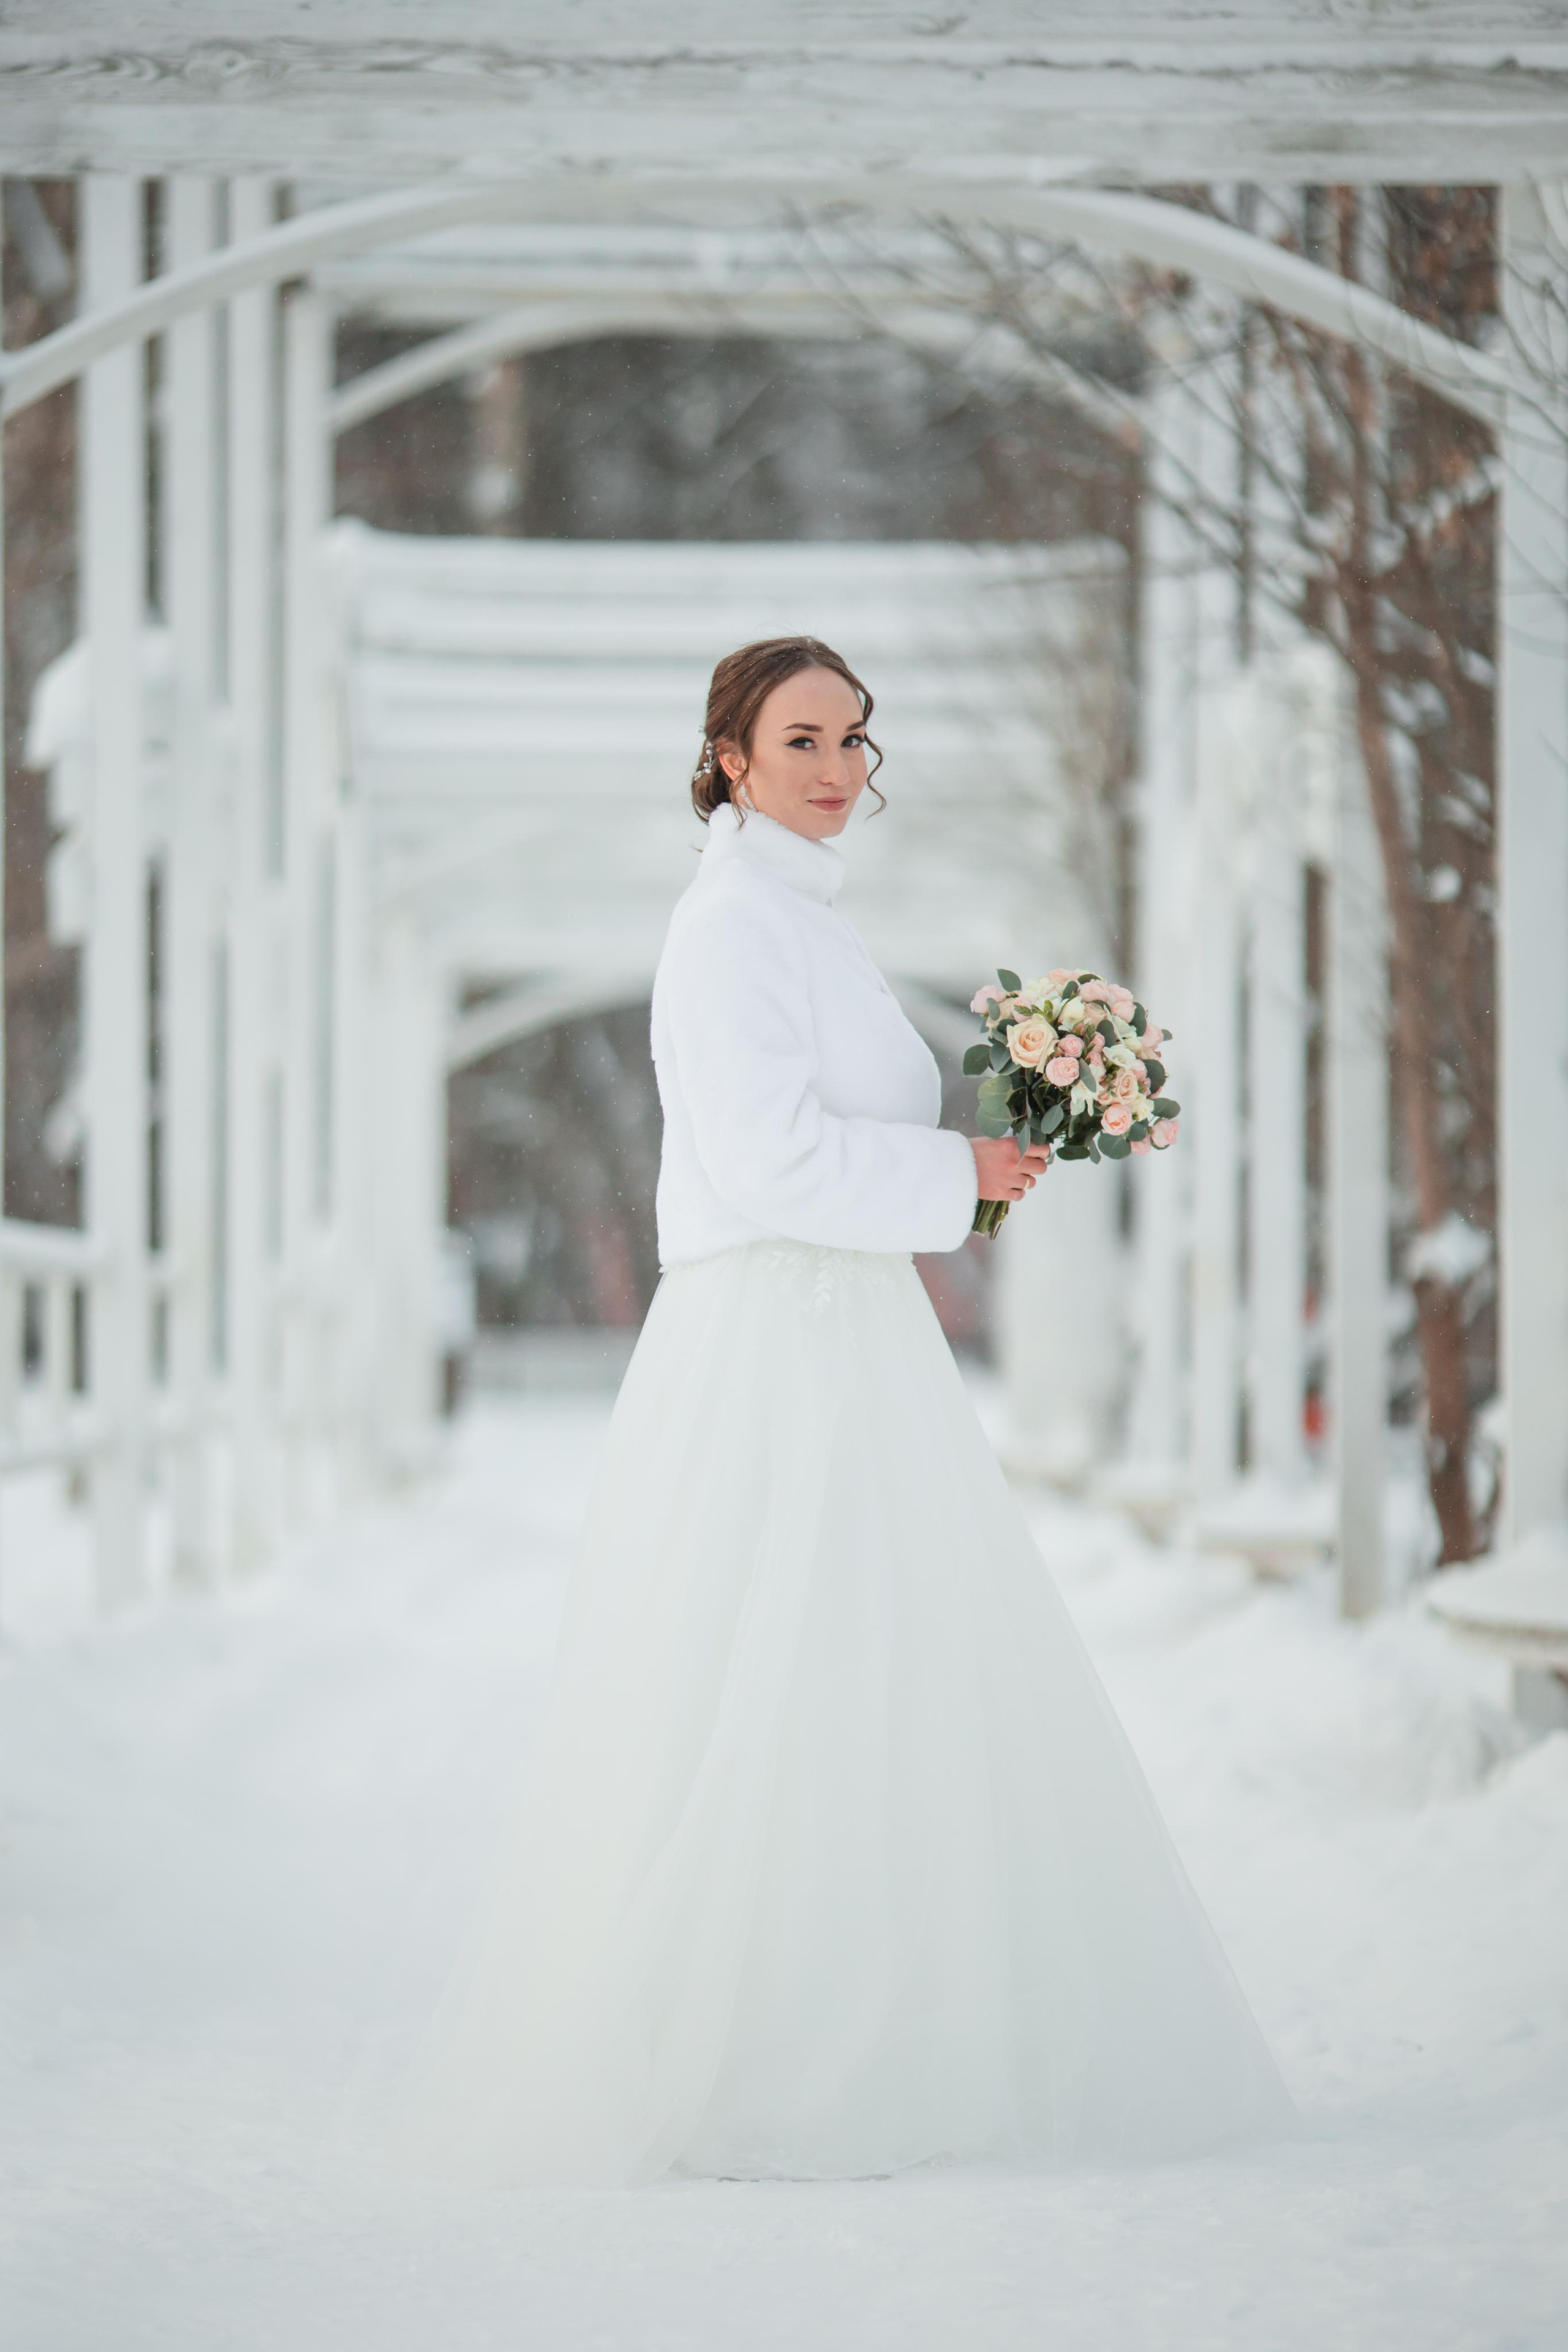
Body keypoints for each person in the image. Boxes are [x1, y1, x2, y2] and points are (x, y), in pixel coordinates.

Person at [396, 636, 1294, 2187]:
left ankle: (885, 2021)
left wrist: (977, 1153)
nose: (837, 765)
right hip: (772, 1349)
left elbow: (833, 1132)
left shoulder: (805, 923)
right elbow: (764, 1160)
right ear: (727, 760)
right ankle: (748, 2056)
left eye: (855, 739)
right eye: (801, 737)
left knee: (880, 1673)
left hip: (850, 1342)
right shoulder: (731, 927)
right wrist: (962, 1175)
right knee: (768, 1675)